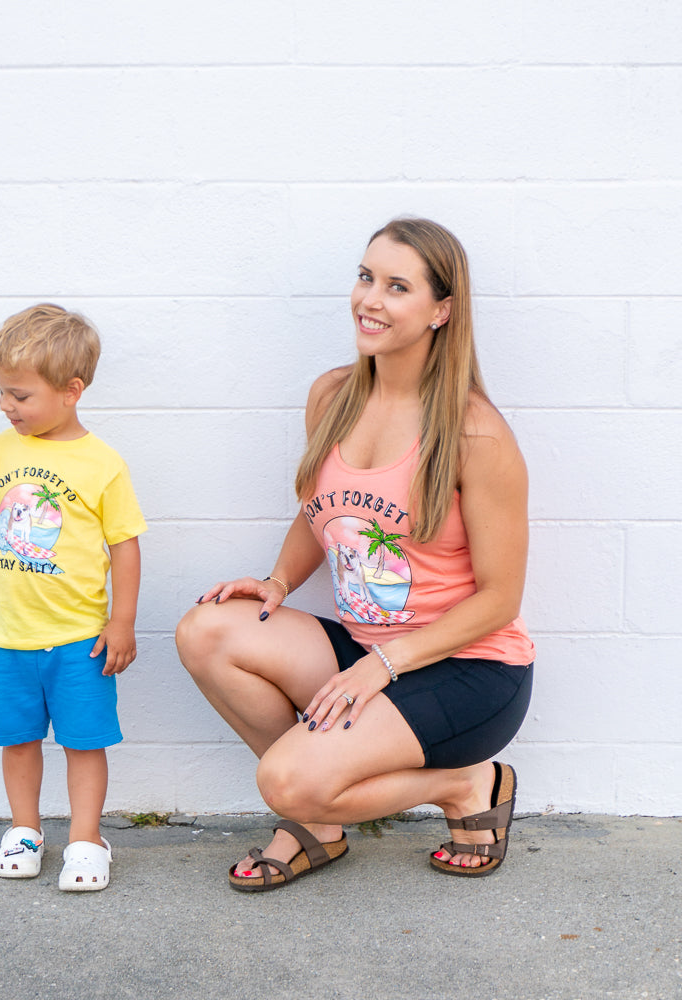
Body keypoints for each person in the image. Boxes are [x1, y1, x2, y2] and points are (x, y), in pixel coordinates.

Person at [176, 218, 535, 889]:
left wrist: (383, 666)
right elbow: (322, 513)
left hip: (467, 669)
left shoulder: (474, 433)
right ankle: (317, 818)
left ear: (441, 311)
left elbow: (500, 599)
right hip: (370, 650)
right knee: (206, 632)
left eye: (397, 286)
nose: (370, 299)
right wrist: (279, 579)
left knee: (283, 778)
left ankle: (464, 785)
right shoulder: (334, 395)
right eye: (366, 277)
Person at [0, 304, 146, 891]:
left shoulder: (102, 464)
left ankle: (84, 837)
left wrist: (121, 622)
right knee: (17, 741)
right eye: (1, 391)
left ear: (72, 391)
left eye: (19, 395)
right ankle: (25, 828)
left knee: (83, 742)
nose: (6, 405)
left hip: (78, 637)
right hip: (6, 633)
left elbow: (125, 545)